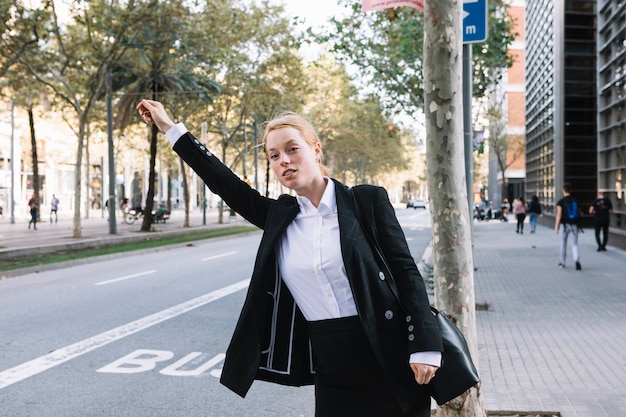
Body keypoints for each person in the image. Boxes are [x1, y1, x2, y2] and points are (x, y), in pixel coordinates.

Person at [136, 99, 443, 417]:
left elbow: (406, 272)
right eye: (274, 155)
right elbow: (222, 181)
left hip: (387, 357)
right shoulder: (279, 216)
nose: (284, 160)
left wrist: (425, 343)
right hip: (330, 368)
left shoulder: (366, 201)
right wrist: (170, 128)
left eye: (293, 149)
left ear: (316, 149)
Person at [554, 183, 581, 270]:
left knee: (563, 243)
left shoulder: (561, 202)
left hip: (564, 225)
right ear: (571, 190)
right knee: (574, 244)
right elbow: (580, 212)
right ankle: (576, 259)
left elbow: (559, 214)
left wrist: (556, 226)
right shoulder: (575, 200)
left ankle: (562, 262)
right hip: (575, 225)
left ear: (563, 190)